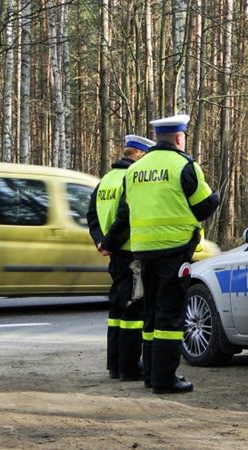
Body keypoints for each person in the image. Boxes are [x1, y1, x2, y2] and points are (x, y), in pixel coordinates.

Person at [100, 114, 219, 394]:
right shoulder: (184, 166)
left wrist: (108, 241)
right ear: (179, 138)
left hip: (142, 253)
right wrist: (215, 198)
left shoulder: (134, 171)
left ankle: (151, 374)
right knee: (170, 315)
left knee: (150, 313)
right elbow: (203, 207)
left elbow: (124, 215)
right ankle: (165, 378)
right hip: (174, 251)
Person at [87, 134, 153, 382]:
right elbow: (126, 216)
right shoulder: (130, 178)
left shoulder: (105, 180)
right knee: (134, 312)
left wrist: (101, 242)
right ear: (140, 156)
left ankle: (114, 365)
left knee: (116, 310)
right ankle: (130, 367)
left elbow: (92, 215)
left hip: (114, 254)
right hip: (130, 253)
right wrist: (111, 241)